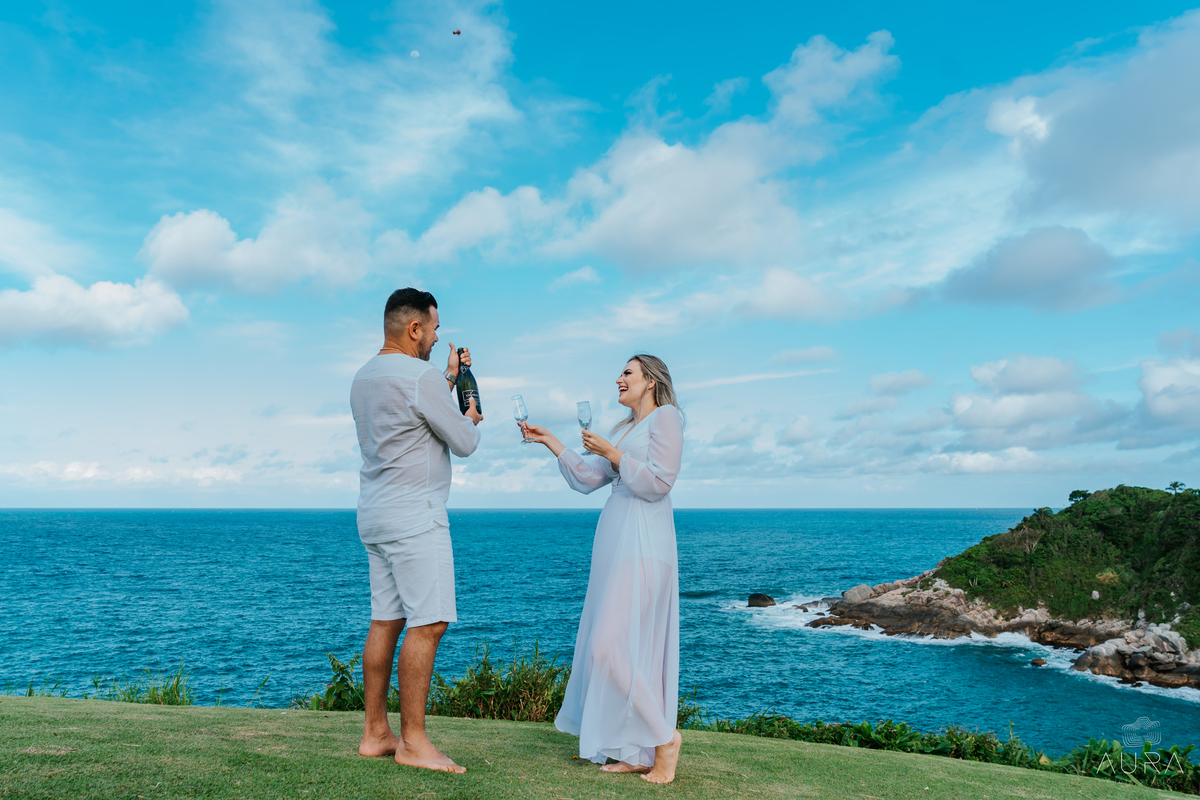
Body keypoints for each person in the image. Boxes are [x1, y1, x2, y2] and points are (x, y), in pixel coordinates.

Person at [523, 354, 685, 785]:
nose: (618, 379)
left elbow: (660, 482)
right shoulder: (625, 429)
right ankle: (635, 750)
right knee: (623, 649)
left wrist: (614, 453)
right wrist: (552, 442)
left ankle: (665, 740)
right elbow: (585, 478)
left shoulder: (666, 418)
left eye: (627, 373)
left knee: (606, 647)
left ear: (650, 381)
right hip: (615, 544)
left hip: (645, 542)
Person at [349, 287, 483, 774]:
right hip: (416, 516)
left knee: (386, 619)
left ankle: (375, 734)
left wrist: (447, 378)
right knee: (429, 621)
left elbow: (411, 419)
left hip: (376, 514)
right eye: (434, 330)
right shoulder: (420, 376)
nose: (435, 338)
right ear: (414, 329)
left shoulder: (363, 378)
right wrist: (468, 409)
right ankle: (414, 741)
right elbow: (464, 441)